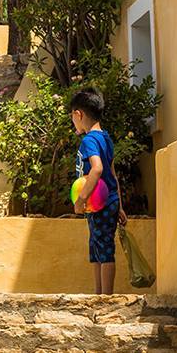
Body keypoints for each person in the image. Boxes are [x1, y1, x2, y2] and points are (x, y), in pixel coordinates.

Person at [70, 87, 127, 294]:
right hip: (105, 202)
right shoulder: (105, 137)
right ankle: (98, 294)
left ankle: (106, 297)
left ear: (79, 114)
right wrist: (119, 205)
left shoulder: (90, 140)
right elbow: (112, 173)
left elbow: (98, 168)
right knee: (97, 249)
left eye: (73, 118)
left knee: (104, 250)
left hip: (99, 202)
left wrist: (81, 199)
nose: (73, 122)